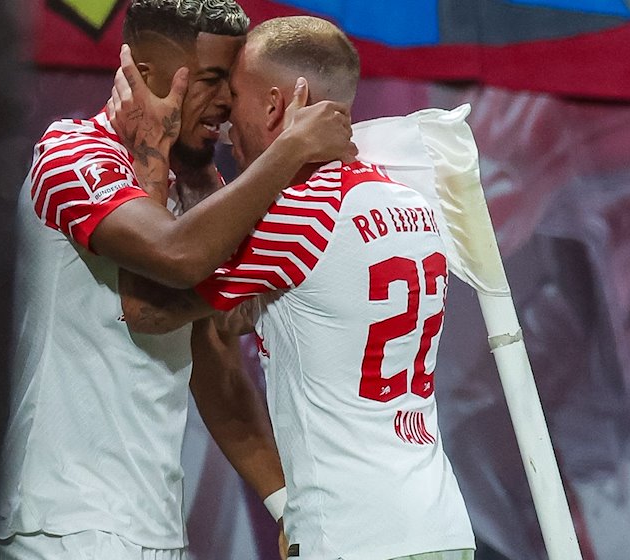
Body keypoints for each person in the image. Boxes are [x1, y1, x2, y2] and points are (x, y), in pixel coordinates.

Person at [0, 1, 356, 558]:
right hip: (61, 523)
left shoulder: (193, 190)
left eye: (232, 86)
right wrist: (289, 150)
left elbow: (218, 367)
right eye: (211, 82)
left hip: (154, 525)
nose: (228, 104)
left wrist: (287, 508)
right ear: (147, 75)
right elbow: (171, 257)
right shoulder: (70, 155)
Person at [119, 15, 476, 560]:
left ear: (273, 106)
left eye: (233, 94)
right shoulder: (412, 204)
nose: (222, 116)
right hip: (440, 526)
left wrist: (152, 155)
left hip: (351, 536)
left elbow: (147, 307)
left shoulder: (295, 218)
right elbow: (255, 311)